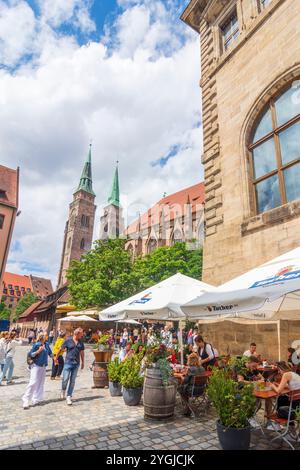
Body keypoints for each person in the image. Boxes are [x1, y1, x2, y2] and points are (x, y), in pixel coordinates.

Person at [22, 332, 53, 409]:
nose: (47, 336)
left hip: (43, 366)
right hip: (36, 365)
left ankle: (36, 398)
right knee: (33, 382)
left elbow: (50, 353)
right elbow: (31, 354)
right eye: (46, 335)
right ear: (42, 337)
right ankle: (26, 399)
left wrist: (55, 358)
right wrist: (38, 351)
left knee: (40, 382)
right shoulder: (37, 344)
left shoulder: (46, 344)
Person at [55, 327, 85, 405]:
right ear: (77, 334)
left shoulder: (81, 342)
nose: (82, 336)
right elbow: (61, 349)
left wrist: (83, 362)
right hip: (68, 363)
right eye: (81, 335)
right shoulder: (68, 340)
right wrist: (56, 358)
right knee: (65, 379)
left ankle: (69, 396)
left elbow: (82, 352)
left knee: (72, 381)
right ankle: (63, 390)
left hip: (76, 363)